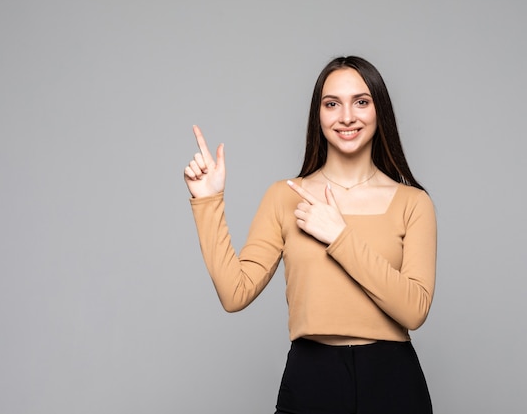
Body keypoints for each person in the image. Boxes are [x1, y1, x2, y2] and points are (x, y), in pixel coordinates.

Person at [184, 56, 436, 414]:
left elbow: (414, 311)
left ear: (380, 111)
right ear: (318, 115)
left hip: (392, 380)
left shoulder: (413, 203)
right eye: (332, 104)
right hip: (311, 377)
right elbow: (234, 293)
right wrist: (208, 201)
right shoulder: (285, 196)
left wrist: (339, 236)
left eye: (361, 102)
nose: (346, 116)